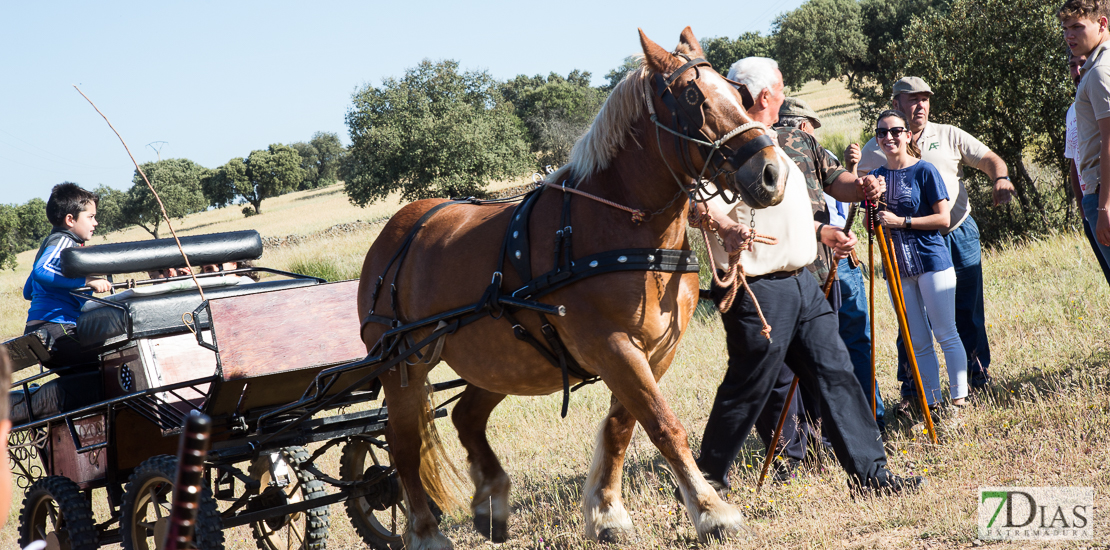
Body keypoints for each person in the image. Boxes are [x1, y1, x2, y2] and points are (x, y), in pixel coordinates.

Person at [695, 57, 921, 495]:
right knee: (749, 387)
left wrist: (825, 229)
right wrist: (724, 226)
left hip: (803, 282)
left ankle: (872, 476)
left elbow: (789, 212)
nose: (783, 94)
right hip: (757, 289)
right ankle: (707, 488)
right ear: (765, 96)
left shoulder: (777, 144)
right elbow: (694, 204)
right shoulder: (721, 149)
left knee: (837, 373)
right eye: (780, 88)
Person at [848, 76, 1011, 408]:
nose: (919, 105)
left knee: (965, 310)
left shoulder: (948, 134)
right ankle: (915, 391)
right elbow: (857, 189)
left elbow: (988, 158)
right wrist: (857, 179)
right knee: (912, 326)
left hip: (955, 232)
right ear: (896, 104)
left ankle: (974, 380)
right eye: (911, 99)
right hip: (901, 248)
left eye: (924, 98)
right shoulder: (874, 148)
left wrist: (1001, 178)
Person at [776, 97, 886, 433]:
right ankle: (841, 426)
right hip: (803, 268)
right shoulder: (781, 143)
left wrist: (861, 185)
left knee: (815, 353)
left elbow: (840, 185)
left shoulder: (803, 145)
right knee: (826, 351)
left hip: (824, 265)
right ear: (803, 125)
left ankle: (821, 430)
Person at [870, 109, 968, 408]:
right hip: (897, 268)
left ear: (908, 134)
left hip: (931, 261)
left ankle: (959, 401)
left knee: (945, 332)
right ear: (877, 139)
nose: (889, 137)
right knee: (918, 341)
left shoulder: (925, 171)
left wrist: (903, 222)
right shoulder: (876, 177)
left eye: (896, 131)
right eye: (883, 132)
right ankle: (933, 402)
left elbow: (943, 218)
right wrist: (873, 201)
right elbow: (870, 227)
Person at [23, 183, 111, 370]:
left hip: (35, 331)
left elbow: (28, 291)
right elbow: (41, 272)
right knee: (111, 362)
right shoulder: (65, 241)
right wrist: (86, 281)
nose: (95, 223)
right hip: (57, 329)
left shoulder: (48, 245)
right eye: (91, 217)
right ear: (70, 220)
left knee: (84, 379)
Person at [1061, 0, 1110, 265]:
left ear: (1102, 23)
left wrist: (1104, 206)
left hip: (1104, 191)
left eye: (1077, 27)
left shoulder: (1100, 71)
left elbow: (1109, 140)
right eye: (1065, 28)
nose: (1069, 35)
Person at [1065, 49, 1110, 285]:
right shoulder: (1073, 110)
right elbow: (1075, 161)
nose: (1077, 71)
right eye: (1072, 66)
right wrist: (1084, 208)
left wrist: (1104, 206)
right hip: (1091, 203)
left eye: (1082, 64)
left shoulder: (1101, 86)